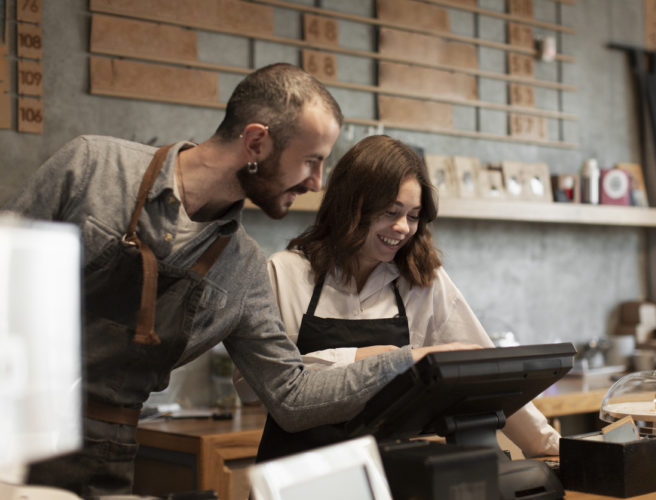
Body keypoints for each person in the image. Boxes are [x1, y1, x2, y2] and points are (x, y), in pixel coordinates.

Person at [3, 64, 475, 498]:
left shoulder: (243, 267)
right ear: (256, 144)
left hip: (105, 453)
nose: (317, 182)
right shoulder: (93, 168)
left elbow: (290, 395)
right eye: (311, 160)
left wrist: (409, 361)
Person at [235, 134, 561, 462]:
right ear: (352, 205)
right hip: (296, 478)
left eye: (414, 215)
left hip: (390, 477)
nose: (403, 227)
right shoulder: (284, 272)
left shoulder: (422, 280)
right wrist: (375, 357)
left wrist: (549, 445)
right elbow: (252, 387)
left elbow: (488, 373)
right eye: (391, 211)